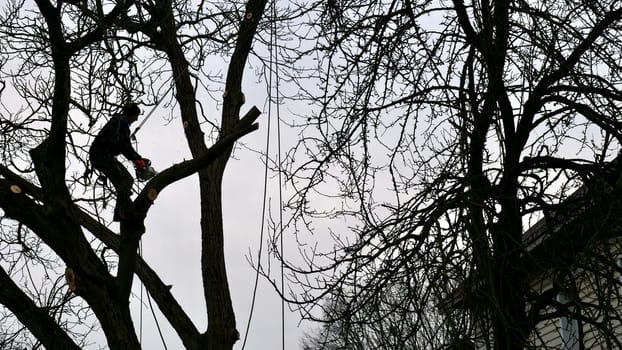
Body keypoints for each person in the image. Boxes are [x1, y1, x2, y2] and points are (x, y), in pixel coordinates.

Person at [90, 103, 149, 221]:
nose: (137, 119)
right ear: (130, 114)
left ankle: (123, 209)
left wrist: (138, 158)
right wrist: (137, 159)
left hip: (104, 156)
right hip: (101, 155)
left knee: (128, 180)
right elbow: (124, 146)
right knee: (124, 181)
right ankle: (122, 212)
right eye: (136, 116)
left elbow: (122, 146)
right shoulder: (120, 123)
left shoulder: (120, 124)